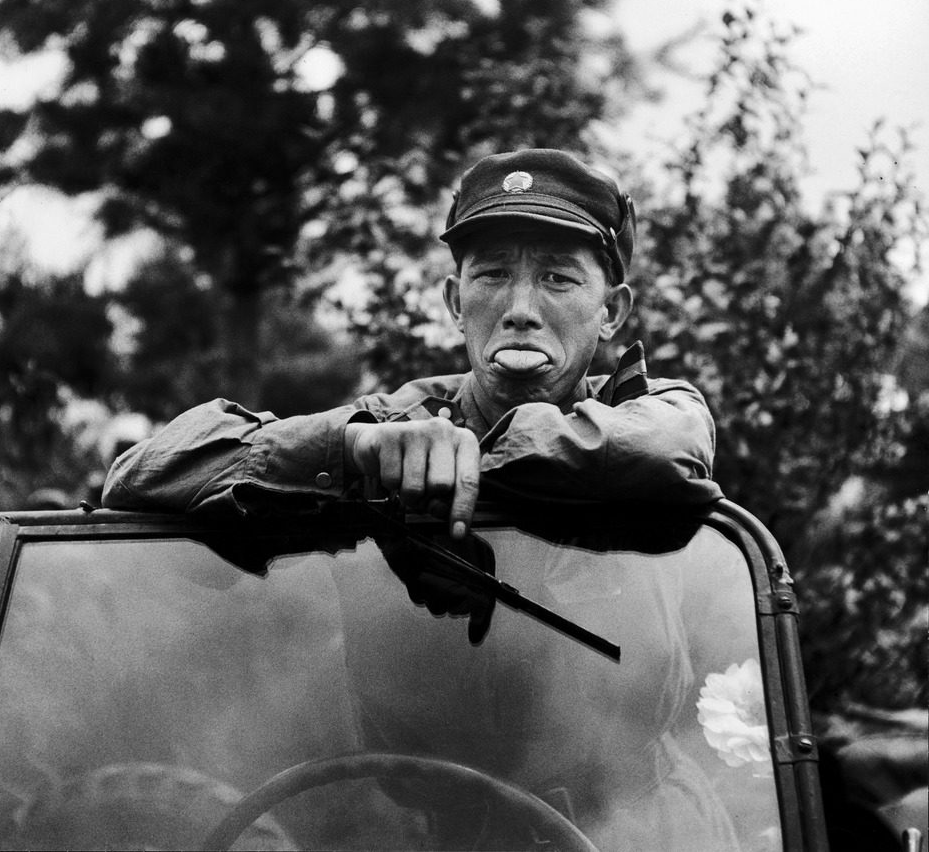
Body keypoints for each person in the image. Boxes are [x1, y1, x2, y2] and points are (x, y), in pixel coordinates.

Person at [102, 148, 740, 850]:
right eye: (493, 274)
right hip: (446, 837)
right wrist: (351, 453)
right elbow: (144, 475)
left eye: (557, 278)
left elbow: (664, 457)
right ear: (453, 300)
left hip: (646, 830)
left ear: (612, 310)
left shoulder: (649, 412)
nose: (521, 308)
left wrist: (469, 459)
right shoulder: (392, 425)